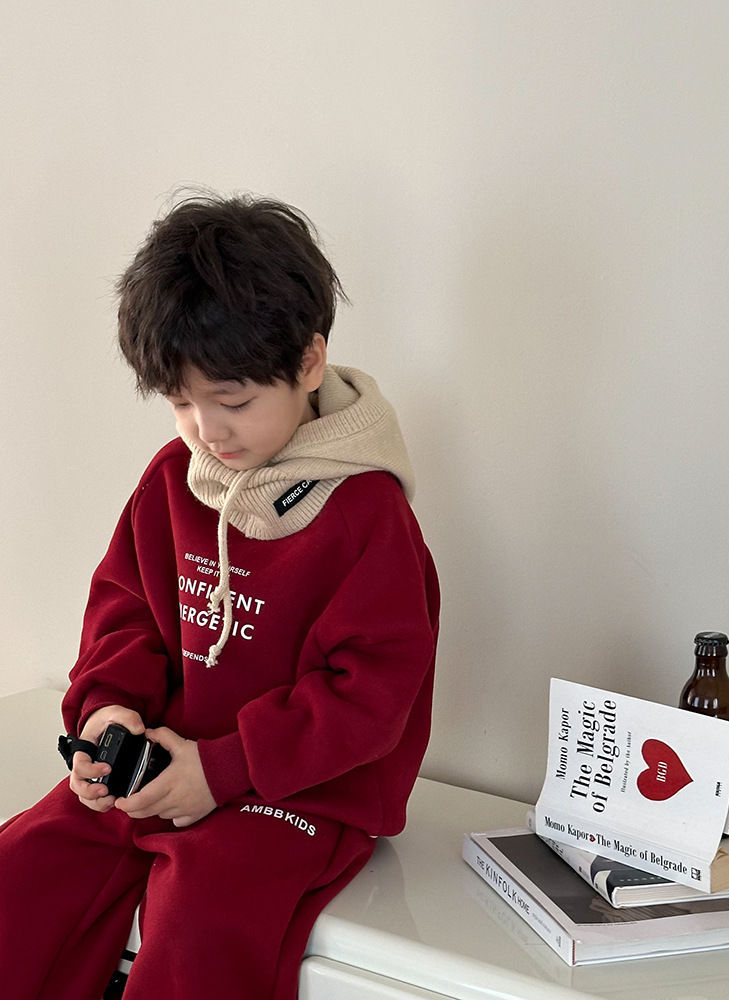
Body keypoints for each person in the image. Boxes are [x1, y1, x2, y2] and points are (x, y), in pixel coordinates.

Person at [0, 194, 440, 999]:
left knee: (201, 926)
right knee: (19, 873)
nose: (207, 430)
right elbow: (126, 613)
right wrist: (107, 714)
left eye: (232, 401)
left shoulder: (366, 514)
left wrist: (224, 767)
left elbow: (371, 693)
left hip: (298, 791)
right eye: (179, 402)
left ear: (309, 362)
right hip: (161, 763)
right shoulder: (175, 480)